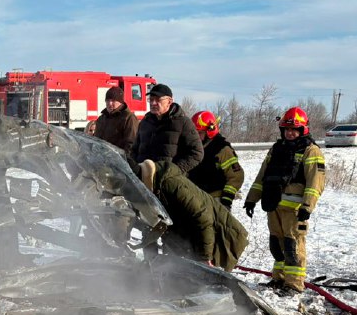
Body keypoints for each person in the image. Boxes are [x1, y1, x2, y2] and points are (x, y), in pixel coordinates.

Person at [243, 107, 326, 292]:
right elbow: (262, 176)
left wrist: (307, 206)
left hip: (295, 209)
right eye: (287, 129)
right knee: (277, 245)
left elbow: (316, 182)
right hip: (273, 205)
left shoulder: (311, 151)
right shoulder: (276, 148)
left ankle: (294, 284)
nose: (290, 133)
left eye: (294, 129)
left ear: (302, 129)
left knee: (292, 246)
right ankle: (279, 279)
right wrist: (251, 199)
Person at [139, 159, 248, 272]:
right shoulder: (154, 188)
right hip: (190, 241)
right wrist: (151, 258)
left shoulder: (171, 184)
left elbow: (203, 219)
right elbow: (151, 224)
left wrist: (204, 258)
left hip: (220, 238)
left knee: (203, 278)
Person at [132, 84, 203, 174]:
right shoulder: (145, 122)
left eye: (158, 100)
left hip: (168, 180)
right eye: (151, 99)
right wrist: (135, 168)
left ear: (169, 102)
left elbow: (197, 153)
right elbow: (134, 150)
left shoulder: (183, 123)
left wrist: (173, 171)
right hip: (142, 177)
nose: (153, 103)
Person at [188, 111, 244, 210]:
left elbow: (236, 176)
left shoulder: (222, 149)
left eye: (200, 133)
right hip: (196, 199)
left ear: (210, 130)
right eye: (194, 133)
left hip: (215, 200)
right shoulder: (194, 149)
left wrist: (226, 200)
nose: (197, 137)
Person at [94, 86, 138, 155]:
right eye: (107, 100)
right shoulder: (101, 118)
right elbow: (95, 140)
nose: (110, 103)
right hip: (101, 158)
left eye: (113, 100)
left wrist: (125, 159)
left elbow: (131, 144)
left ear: (120, 102)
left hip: (119, 159)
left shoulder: (128, 118)